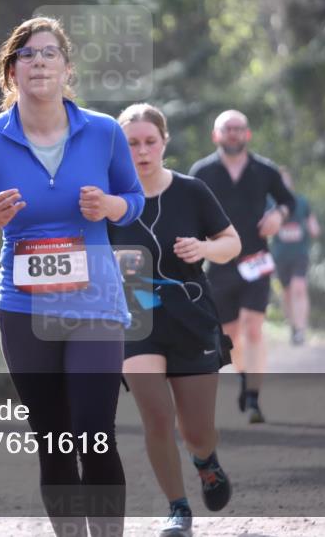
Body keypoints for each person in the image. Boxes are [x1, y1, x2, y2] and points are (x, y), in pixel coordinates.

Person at [0, 17, 144, 537]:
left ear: (66, 68)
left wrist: (110, 205)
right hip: (25, 307)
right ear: (10, 72)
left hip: (96, 303)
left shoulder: (103, 132)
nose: (39, 62)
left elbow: (135, 202)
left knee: (94, 433)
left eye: (49, 54)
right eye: (27, 55)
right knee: (54, 437)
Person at [108, 104, 242, 537]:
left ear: (164, 143)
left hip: (190, 316)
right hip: (135, 317)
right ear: (118, 147)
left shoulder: (192, 191)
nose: (142, 151)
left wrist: (204, 249)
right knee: (156, 416)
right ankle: (178, 508)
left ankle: (205, 461)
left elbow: (231, 242)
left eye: (150, 142)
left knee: (197, 430)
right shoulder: (107, 201)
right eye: (132, 143)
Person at [189, 110, 295, 424]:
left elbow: (287, 201)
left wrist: (278, 216)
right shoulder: (202, 172)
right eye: (227, 129)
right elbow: (189, 211)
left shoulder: (264, 170)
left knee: (253, 326)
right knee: (230, 333)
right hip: (219, 263)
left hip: (257, 260)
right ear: (216, 135)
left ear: (247, 134)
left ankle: (253, 397)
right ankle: (244, 376)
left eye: (238, 129)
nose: (233, 134)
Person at [270, 168, 320, 346]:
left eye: (286, 181)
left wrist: (312, 228)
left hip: (300, 253)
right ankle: (293, 325)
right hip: (281, 255)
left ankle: (301, 329)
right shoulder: (271, 204)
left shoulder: (302, 202)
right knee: (288, 293)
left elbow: (314, 227)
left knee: (299, 287)